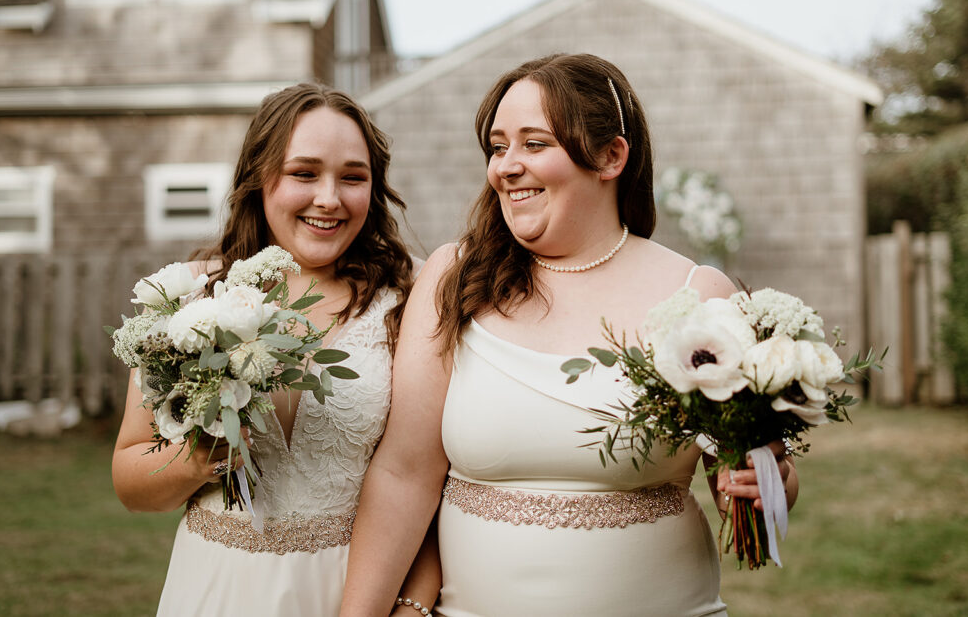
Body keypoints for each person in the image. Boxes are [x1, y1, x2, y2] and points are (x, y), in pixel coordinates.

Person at [339, 54, 798, 616]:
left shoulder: (698, 294)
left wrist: (765, 486)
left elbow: (749, 496)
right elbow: (404, 474)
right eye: (497, 146)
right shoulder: (454, 279)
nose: (506, 166)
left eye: (534, 144)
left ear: (610, 156)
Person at [112, 83, 427, 616]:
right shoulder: (189, 300)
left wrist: (409, 607)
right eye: (304, 173)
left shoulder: (410, 302)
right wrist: (195, 460)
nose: (329, 198)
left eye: (353, 177)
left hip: (353, 589)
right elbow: (130, 480)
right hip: (218, 587)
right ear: (259, 178)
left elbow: (429, 483)